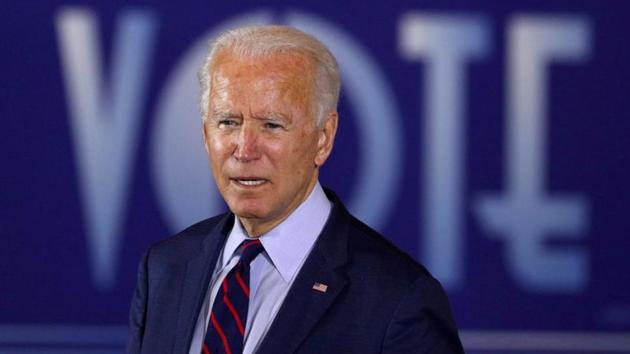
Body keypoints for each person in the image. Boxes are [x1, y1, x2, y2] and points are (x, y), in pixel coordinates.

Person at [127, 25, 463, 354]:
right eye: (228, 122)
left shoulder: (398, 300)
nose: (244, 149)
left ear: (323, 138)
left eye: (271, 125)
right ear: (205, 134)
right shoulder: (164, 269)